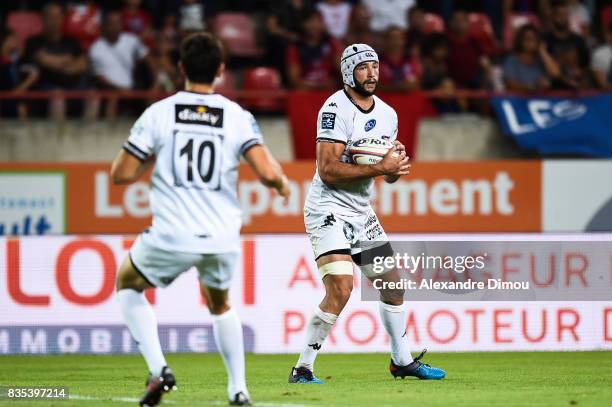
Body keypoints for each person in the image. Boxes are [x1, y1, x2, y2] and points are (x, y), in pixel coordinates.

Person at [112, 32, 290, 406]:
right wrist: (282, 184)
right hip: (221, 236)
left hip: (171, 235)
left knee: (128, 282)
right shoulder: (236, 117)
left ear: (180, 69)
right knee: (221, 304)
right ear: (221, 71)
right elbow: (266, 170)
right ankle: (238, 390)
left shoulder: (159, 113)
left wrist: (150, 155)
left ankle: (159, 370)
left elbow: (122, 174)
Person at [288, 43, 446, 384]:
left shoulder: (388, 114)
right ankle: (302, 368)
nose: (372, 73)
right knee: (342, 287)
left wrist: (394, 166)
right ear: (348, 72)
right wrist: (380, 166)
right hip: (328, 209)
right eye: (363, 67)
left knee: (393, 287)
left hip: (361, 212)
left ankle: (401, 361)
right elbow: (328, 170)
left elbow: (386, 174)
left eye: (375, 66)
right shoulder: (334, 109)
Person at [285, 9, 343, 89]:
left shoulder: (332, 43)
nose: (314, 25)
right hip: (306, 92)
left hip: (330, 92)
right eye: (310, 21)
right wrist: (319, 86)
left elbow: (344, 72)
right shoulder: (294, 47)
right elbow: (294, 80)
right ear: (302, 24)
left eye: (318, 21)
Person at [502, 24, 561, 91]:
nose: (530, 42)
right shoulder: (511, 60)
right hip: (517, 99)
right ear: (520, 41)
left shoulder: (541, 60)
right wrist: (531, 88)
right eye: (527, 39)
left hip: (540, 100)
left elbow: (556, 75)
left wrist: (543, 52)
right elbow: (510, 84)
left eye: (534, 39)